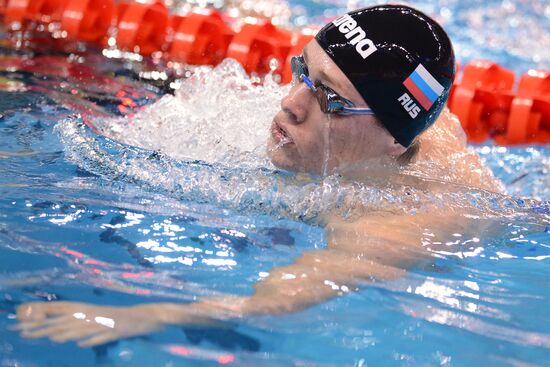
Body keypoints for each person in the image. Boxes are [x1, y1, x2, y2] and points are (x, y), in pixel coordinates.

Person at [12, 5, 503, 347]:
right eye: (302, 71)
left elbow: (272, 302)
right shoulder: (408, 129)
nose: (290, 103)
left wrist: (142, 315)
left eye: (329, 100)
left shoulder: (394, 226)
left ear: (394, 141)